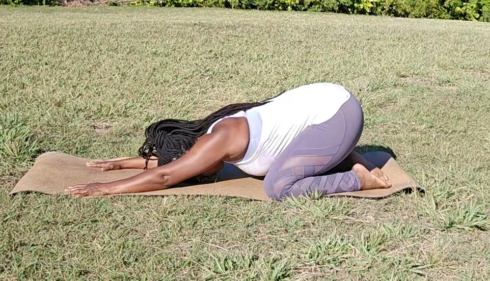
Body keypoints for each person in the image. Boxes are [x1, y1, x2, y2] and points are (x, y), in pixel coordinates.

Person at [65, 82, 391, 199]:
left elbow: (166, 175)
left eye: (200, 171)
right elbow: (173, 165)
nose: (204, 175)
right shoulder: (207, 132)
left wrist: (105, 188)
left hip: (338, 114)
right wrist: (121, 163)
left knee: (278, 187)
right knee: (278, 167)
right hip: (325, 99)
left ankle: (357, 177)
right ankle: (346, 153)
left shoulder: (216, 142)